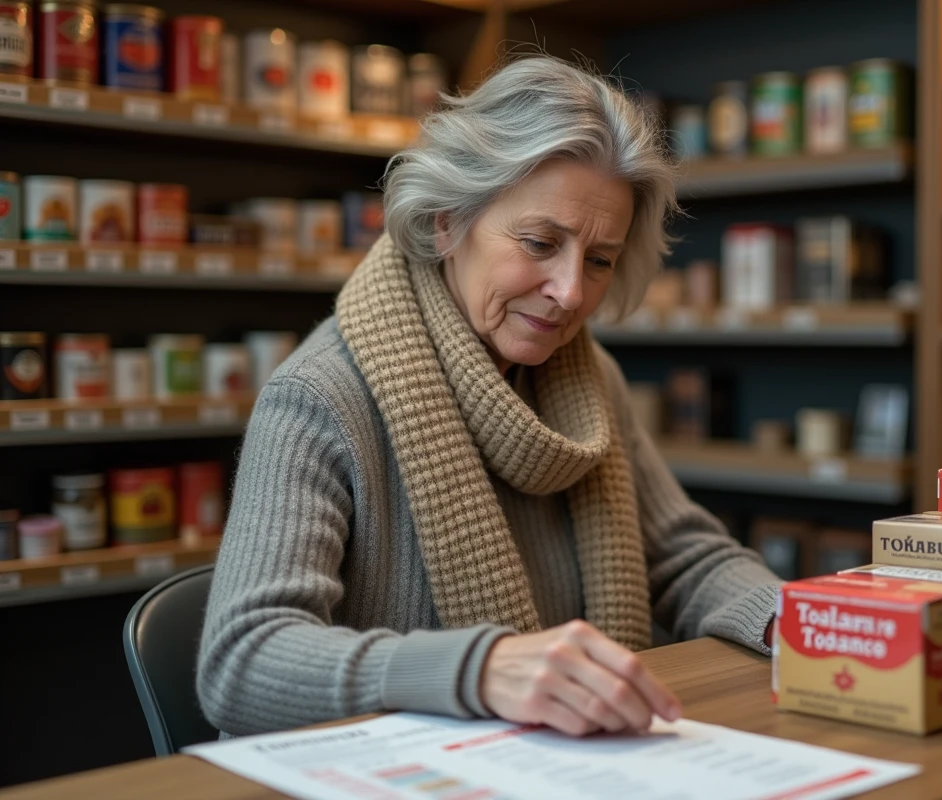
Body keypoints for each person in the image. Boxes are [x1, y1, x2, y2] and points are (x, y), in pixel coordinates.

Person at [197, 56, 781, 739]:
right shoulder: (319, 397)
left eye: (599, 261)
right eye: (540, 242)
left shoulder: (590, 384)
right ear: (448, 221)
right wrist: (481, 669)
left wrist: (806, 623)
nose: (569, 291)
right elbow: (242, 661)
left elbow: (688, 558)